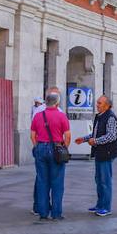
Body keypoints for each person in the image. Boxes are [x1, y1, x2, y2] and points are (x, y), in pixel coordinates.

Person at [29, 88, 70, 222]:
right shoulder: (61, 116)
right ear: (57, 104)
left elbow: (32, 135)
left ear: (45, 103)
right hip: (56, 148)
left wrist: (37, 146)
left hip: (41, 147)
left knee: (42, 181)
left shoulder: (38, 116)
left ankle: (43, 212)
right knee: (57, 182)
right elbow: (68, 135)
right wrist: (64, 148)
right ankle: (56, 213)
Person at [77, 95, 117, 216]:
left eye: (100, 103)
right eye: (97, 102)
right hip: (99, 152)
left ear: (107, 106)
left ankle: (106, 207)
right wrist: (85, 139)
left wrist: (95, 141)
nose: (97, 105)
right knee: (98, 179)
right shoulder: (100, 116)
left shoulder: (110, 117)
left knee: (105, 181)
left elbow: (111, 136)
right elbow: (95, 134)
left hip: (107, 152)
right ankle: (99, 205)